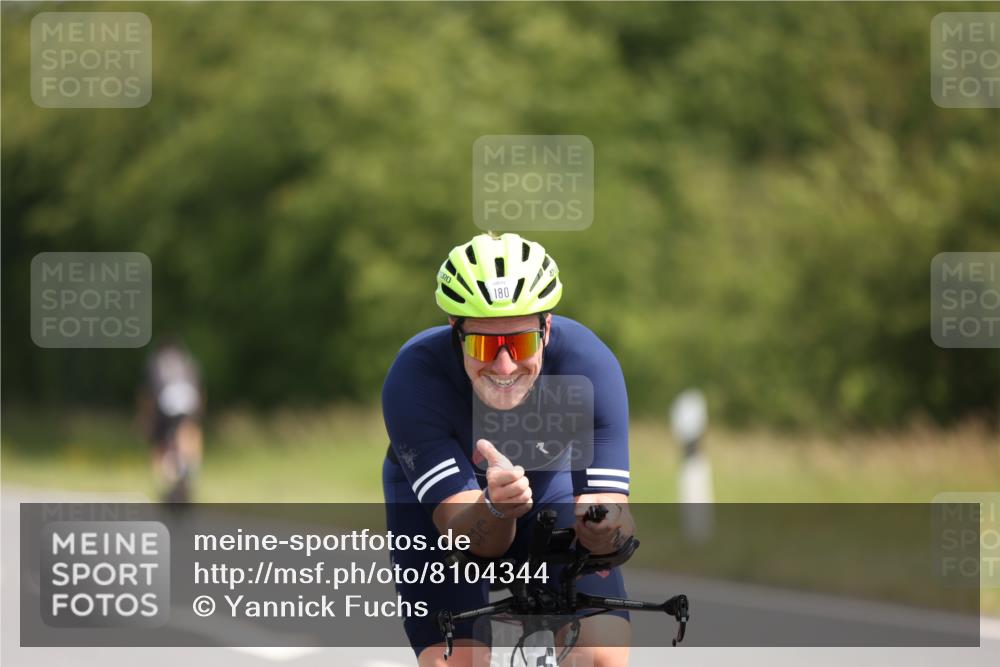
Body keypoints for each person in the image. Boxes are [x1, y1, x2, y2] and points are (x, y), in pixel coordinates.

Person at [382, 233, 635, 666]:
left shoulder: (588, 366)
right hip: (446, 513)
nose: (504, 366)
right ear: (455, 332)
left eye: (519, 344)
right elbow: (470, 538)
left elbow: (618, 524)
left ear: (547, 329)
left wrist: (602, 524)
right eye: (483, 345)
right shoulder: (415, 378)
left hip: (546, 491)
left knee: (601, 655)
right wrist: (496, 509)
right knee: (460, 661)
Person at [137, 340, 204, 502]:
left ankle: (166, 481)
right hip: (189, 398)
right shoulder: (189, 362)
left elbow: (149, 394)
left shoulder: (156, 363)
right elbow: (199, 389)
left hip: (166, 400)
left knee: (160, 442)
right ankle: (190, 469)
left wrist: (147, 419)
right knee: (189, 433)